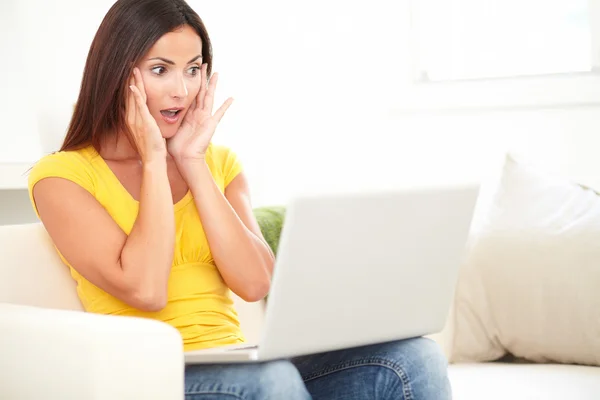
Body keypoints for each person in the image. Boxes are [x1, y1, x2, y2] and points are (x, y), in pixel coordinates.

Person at [27, 0, 452, 398]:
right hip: (148, 375)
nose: (182, 91)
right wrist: (154, 159)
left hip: (237, 361)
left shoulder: (219, 163)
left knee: (414, 358)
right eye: (161, 70)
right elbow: (147, 289)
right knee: (273, 379)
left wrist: (192, 163)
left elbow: (255, 283)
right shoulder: (61, 177)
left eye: (193, 70)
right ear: (120, 74)